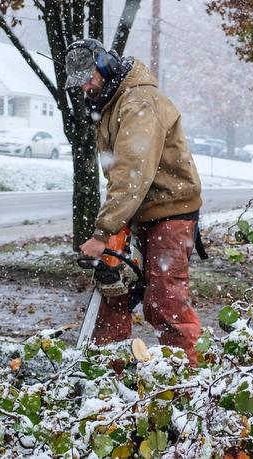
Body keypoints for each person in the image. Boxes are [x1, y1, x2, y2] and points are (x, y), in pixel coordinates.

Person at [65, 38, 204, 363]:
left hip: (170, 211)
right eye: (80, 82)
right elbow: (120, 177)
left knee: (164, 299)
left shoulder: (139, 102)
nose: (85, 87)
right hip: (137, 210)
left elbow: (130, 172)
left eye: (89, 77)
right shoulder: (112, 102)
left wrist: (103, 233)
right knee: (113, 287)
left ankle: (190, 379)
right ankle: (107, 369)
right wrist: (115, 225)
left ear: (106, 66)